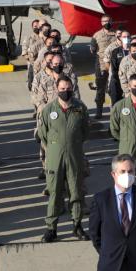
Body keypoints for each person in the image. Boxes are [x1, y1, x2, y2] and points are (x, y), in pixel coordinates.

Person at [35, 77, 90, 242]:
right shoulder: (48, 110)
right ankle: (51, 228)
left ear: (72, 88)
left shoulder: (80, 108)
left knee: (76, 191)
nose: (65, 91)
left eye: (68, 88)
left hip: (75, 156)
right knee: (54, 193)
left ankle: (77, 225)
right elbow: (42, 134)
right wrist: (55, 147)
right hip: (54, 158)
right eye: (62, 88)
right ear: (56, 88)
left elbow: (85, 131)